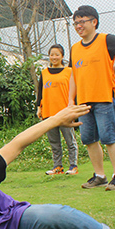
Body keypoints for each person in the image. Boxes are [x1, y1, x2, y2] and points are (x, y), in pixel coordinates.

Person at [68, 5, 115, 191]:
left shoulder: (106, 40)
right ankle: (99, 175)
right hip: (84, 101)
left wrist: (113, 68)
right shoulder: (75, 48)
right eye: (75, 23)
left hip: (104, 97)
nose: (78, 26)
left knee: (109, 137)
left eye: (82, 21)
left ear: (94, 22)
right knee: (88, 139)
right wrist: (71, 100)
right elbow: (73, 75)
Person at [36, 44, 78, 175]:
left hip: (65, 112)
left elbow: (75, 91)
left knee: (70, 140)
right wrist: (39, 108)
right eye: (51, 54)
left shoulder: (69, 71)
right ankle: (57, 166)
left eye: (57, 54)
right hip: (49, 112)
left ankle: (73, 166)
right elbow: (40, 92)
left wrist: (74, 109)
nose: (54, 57)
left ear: (62, 56)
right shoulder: (44, 73)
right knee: (54, 142)